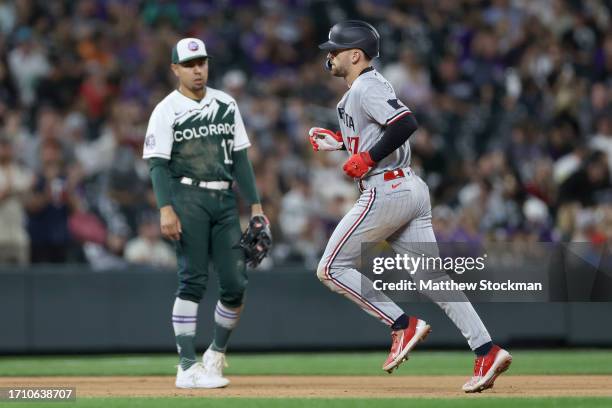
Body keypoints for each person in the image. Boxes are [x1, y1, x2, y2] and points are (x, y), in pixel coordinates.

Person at [310, 21, 512, 393]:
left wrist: (366, 157)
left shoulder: (366, 86)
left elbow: (406, 123)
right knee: (431, 279)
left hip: (385, 190)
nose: (330, 55)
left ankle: (402, 324)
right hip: (409, 188)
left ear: (355, 55)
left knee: (330, 267)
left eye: (336, 50)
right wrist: (342, 143)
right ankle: (487, 349)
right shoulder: (367, 86)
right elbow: (384, 128)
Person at [143, 38, 269, 389]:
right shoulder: (166, 109)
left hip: (224, 201)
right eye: (190, 64)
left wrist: (256, 205)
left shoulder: (226, 103)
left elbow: (241, 158)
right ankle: (186, 365)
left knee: (235, 283)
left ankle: (215, 353)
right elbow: (156, 165)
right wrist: (165, 208)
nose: (198, 69)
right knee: (193, 279)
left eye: (202, 62)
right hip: (186, 197)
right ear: (176, 69)